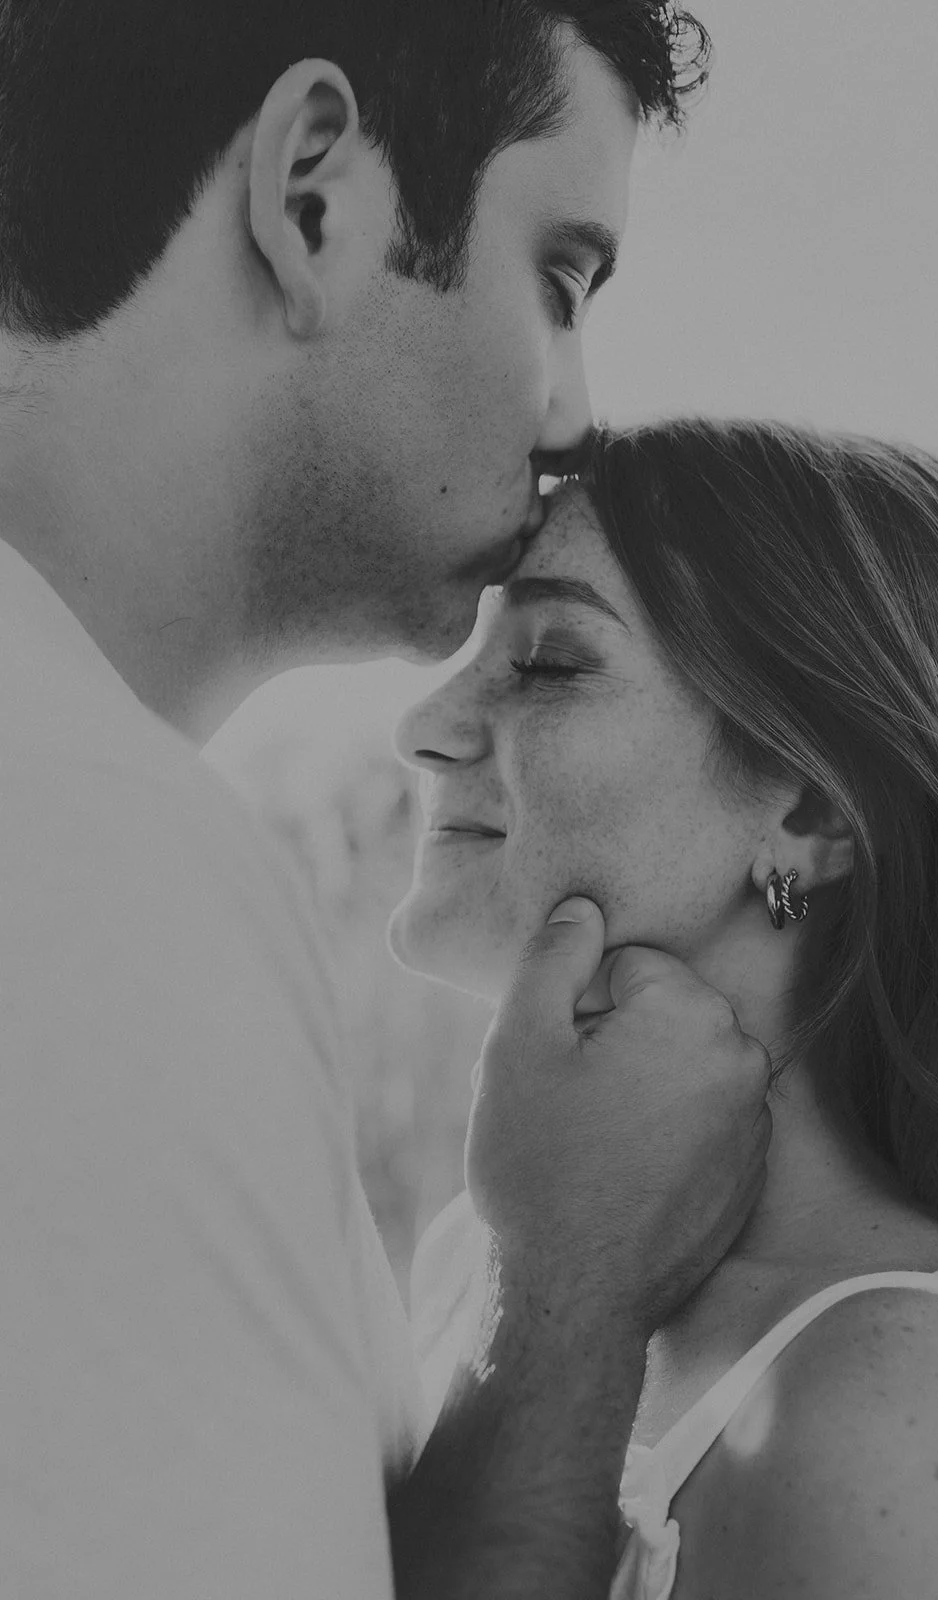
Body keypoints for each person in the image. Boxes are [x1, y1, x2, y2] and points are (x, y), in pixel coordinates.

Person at [0, 7, 774, 1599]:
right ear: (314, 197)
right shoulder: (89, 856)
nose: (569, 420)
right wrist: (568, 1296)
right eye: (556, 280)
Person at [394, 417, 938, 1599]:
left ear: (810, 812)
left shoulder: (894, 1421)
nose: (424, 725)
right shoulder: (491, 1246)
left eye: (549, 661)